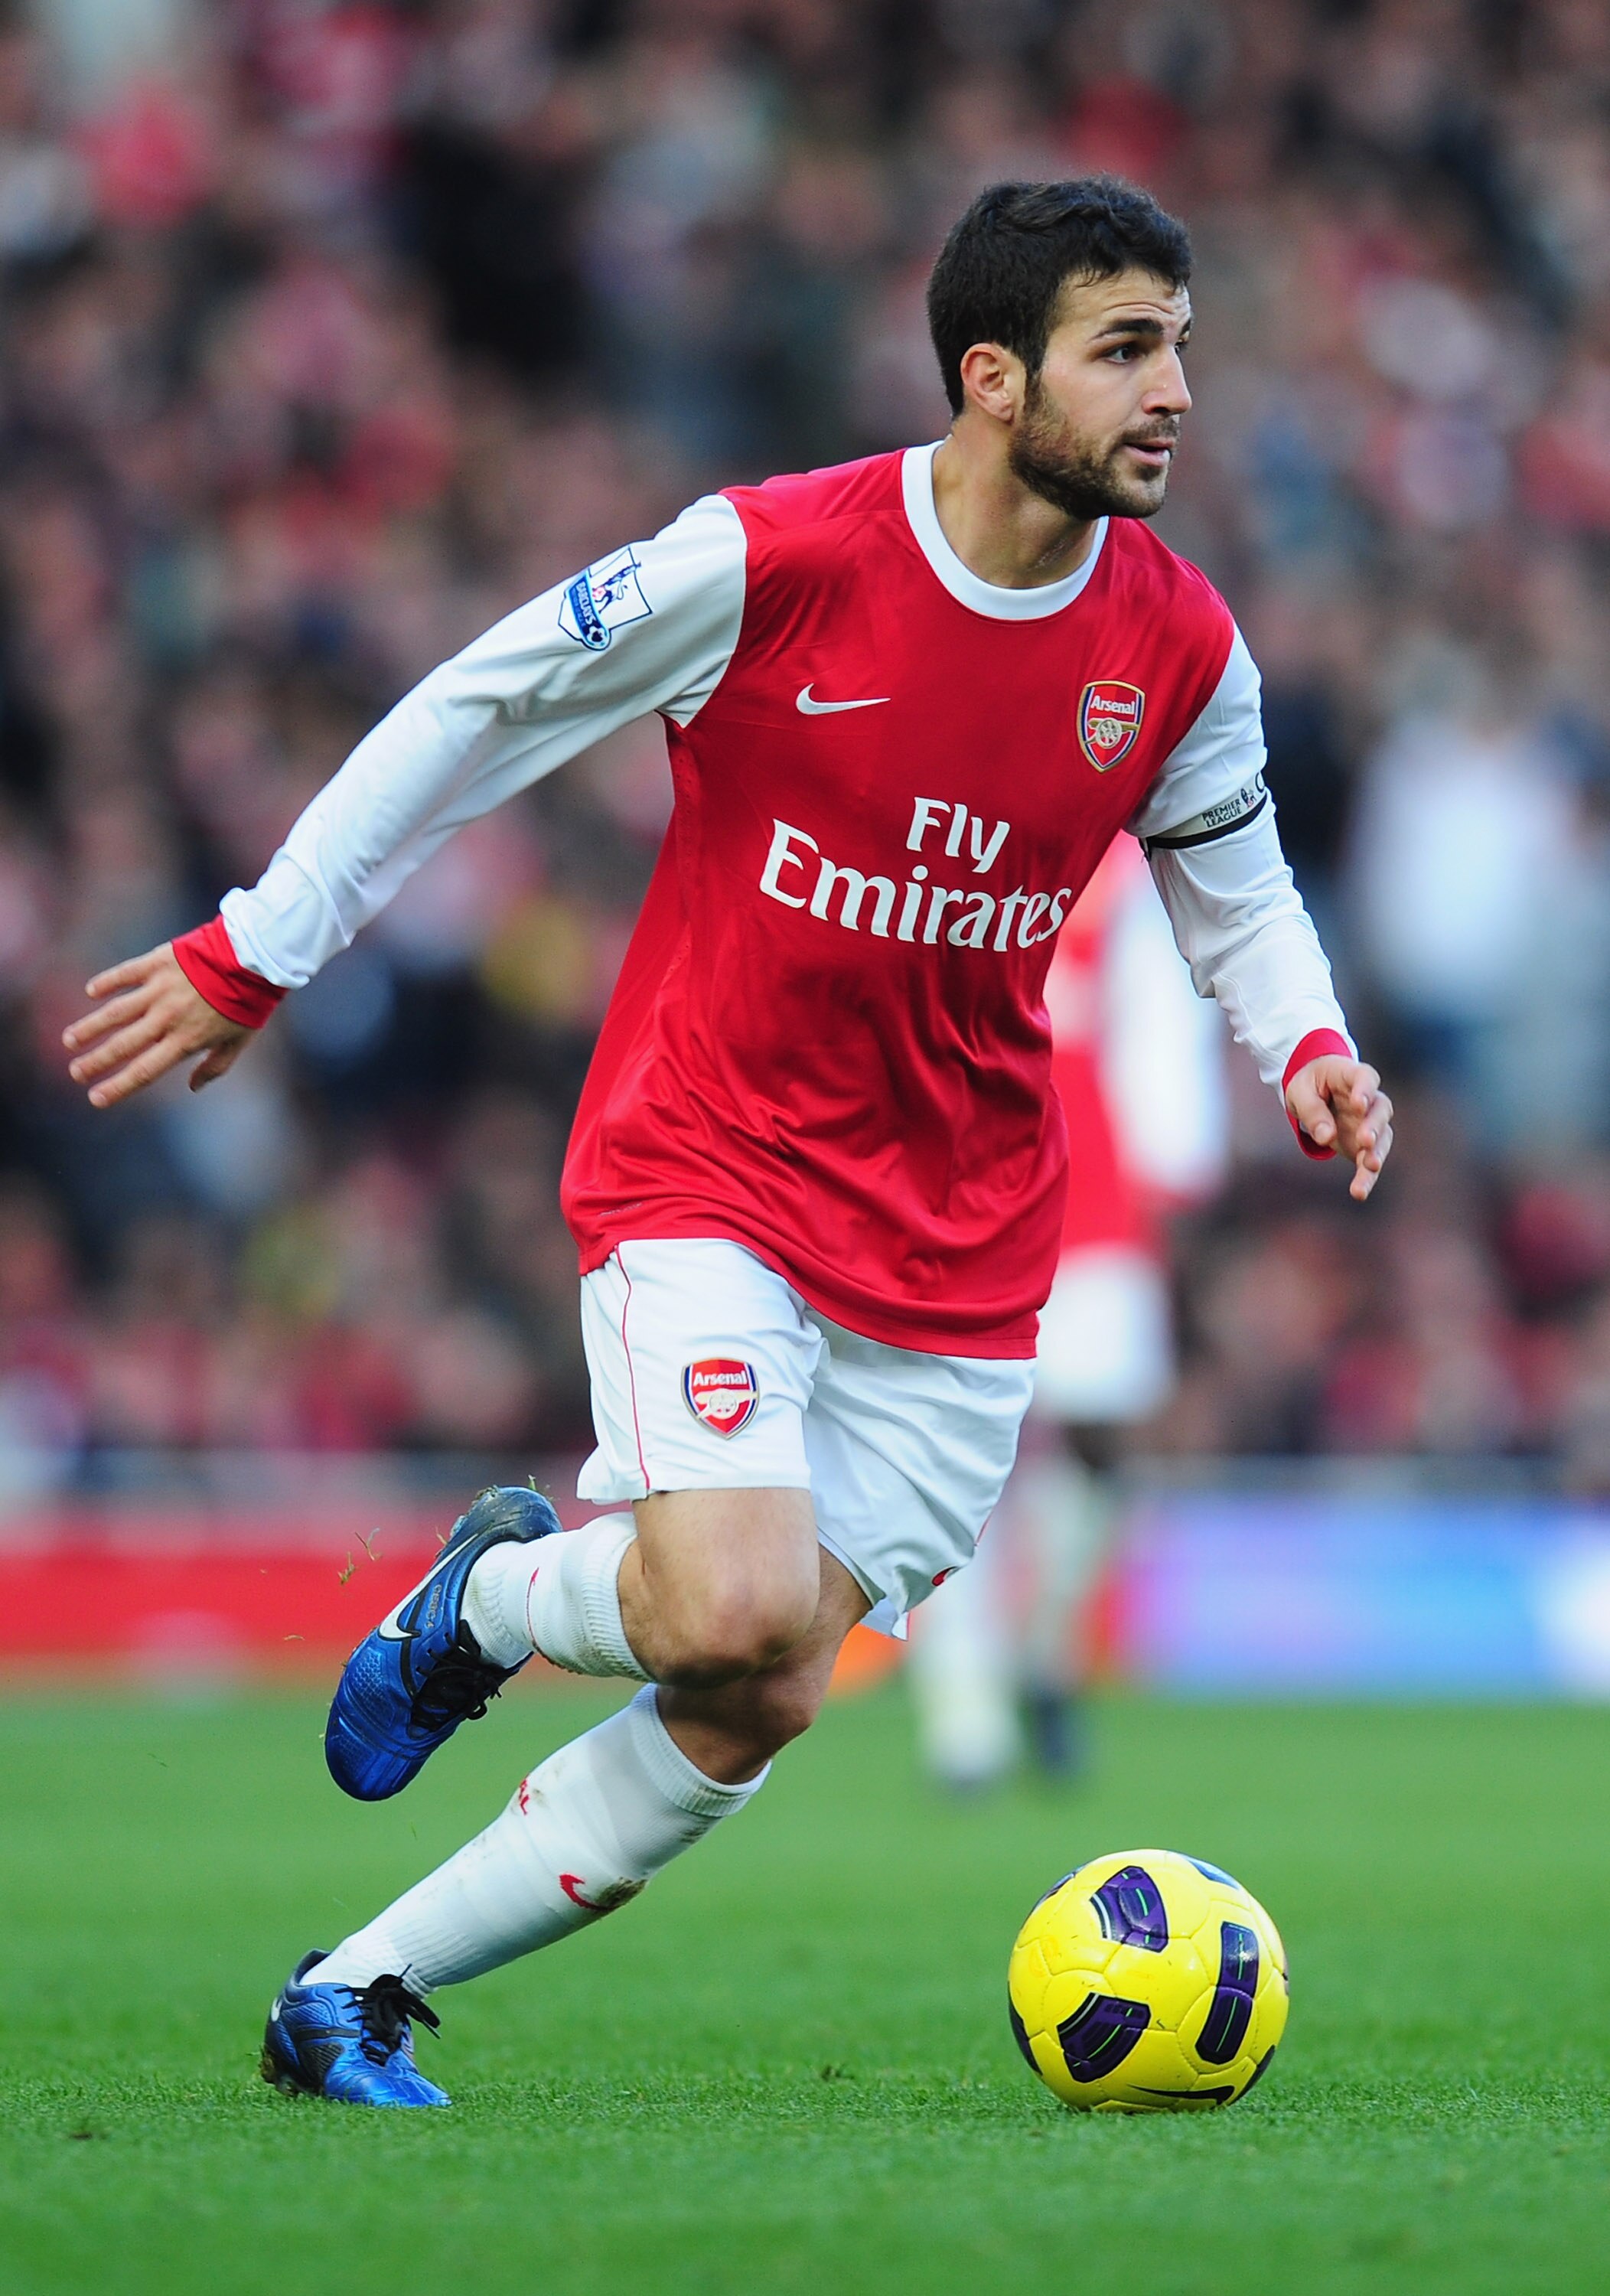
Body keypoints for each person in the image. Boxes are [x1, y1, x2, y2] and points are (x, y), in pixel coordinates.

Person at [61, 178, 1391, 2108]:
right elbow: (477, 707)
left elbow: (1236, 883)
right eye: (1127, 348)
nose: (1174, 385)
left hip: (960, 1244)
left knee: (756, 1682)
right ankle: (498, 1602)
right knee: (728, 1599)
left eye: (1179, 341)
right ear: (992, 376)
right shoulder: (766, 561)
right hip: (716, 1166)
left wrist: (1308, 1041)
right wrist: (258, 946)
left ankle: (350, 1986)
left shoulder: (1175, 643)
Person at [908, 837, 1227, 1789]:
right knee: (949, 1454)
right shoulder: (941, 831)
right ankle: (961, 1713)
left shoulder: (1121, 864)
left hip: (1085, 1185)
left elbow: (1158, 1014)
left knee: (1101, 1446)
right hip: (953, 1186)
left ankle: (1045, 1655)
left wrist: (1173, 1160)